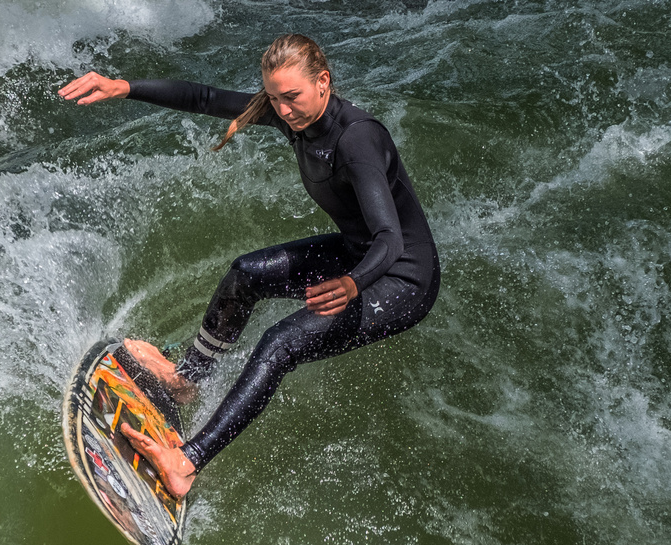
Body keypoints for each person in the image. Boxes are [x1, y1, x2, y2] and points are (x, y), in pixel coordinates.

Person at [58, 34, 440, 499]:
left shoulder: (358, 139)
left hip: (401, 275)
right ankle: (185, 381)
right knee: (246, 274)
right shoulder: (296, 117)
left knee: (281, 343)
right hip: (358, 254)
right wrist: (124, 87)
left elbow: (390, 238)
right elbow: (205, 97)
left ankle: (186, 463)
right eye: (274, 99)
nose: (282, 111)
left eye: (292, 97)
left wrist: (353, 283)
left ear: (323, 82)